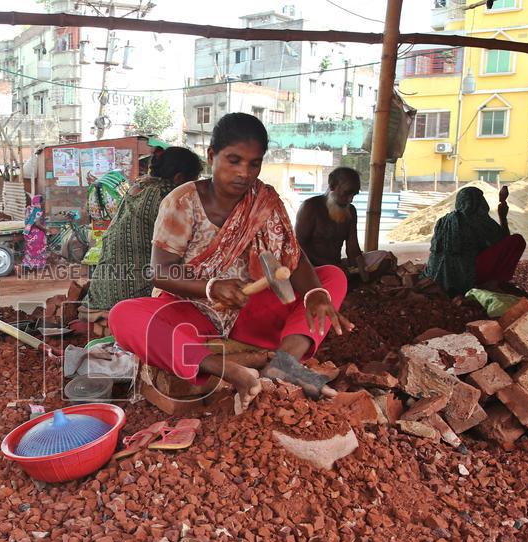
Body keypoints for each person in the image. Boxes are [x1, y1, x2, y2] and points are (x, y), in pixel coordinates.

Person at [110, 113, 352, 408]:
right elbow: (160, 272)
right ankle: (228, 369)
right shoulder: (182, 201)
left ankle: (284, 363)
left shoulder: (265, 201)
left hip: (248, 312)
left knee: (331, 278)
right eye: (234, 160)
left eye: (254, 163)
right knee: (123, 315)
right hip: (193, 312)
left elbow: (293, 258)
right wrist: (212, 288)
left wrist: (315, 293)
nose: (244, 173)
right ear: (212, 156)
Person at [85, 147, 204, 311]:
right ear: (179, 178)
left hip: (100, 291)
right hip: (131, 296)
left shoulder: (137, 187)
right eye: (194, 181)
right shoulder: (169, 195)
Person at [295, 167, 397, 280]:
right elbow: (297, 246)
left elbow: (353, 248)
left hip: (338, 266)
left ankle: (352, 280)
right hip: (313, 267)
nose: (350, 199)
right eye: (347, 193)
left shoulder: (351, 211)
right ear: (332, 186)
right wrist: (330, 265)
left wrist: (360, 266)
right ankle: (347, 280)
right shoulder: (310, 207)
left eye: (354, 195)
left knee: (385, 257)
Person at [423, 185, 526, 297]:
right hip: (468, 277)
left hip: (436, 276)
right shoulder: (478, 219)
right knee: (517, 240)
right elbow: (504, 241)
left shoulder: (443, 221)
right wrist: (503, 217)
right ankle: (493, 283)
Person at [22, 195, 48, 270]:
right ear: (38, 203)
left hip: (28, 233)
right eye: (41, 202)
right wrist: (45, 229)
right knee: (40, 246)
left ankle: (28, 264)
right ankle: (38, 265)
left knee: (29, 250)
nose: (42, 204)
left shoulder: (29, 209)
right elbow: (37, 223)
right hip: (36, 233)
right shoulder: (38, 210)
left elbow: (26, 221)